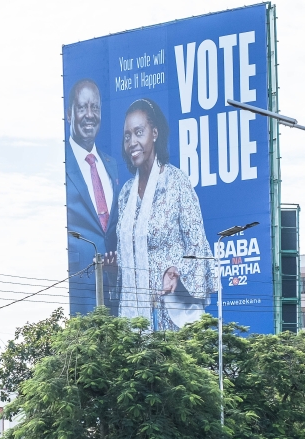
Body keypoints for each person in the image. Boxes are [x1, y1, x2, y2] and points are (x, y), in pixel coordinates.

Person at [115, 98, 216, 330]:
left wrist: (177, 271)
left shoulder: (176, 182)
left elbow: (197, 244)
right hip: (135, 319)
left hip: (173, 314)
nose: (132, 142)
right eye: (127, 136)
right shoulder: (125, 194)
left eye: (139, 132)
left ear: (155, 133)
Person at [66, 78, 121, 315]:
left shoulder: (111, 164)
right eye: (82, 107)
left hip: (116, 288)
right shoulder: (62, 163)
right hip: (80, 286)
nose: (90, 114)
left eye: (95, 107)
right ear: (69, 114)